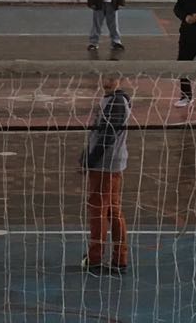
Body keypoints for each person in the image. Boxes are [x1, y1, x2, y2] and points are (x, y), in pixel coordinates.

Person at [80, 72, 132, 276]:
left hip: (105, 166)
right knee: (111, 210)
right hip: (108, 164)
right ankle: (119, 259)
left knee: (98, 211)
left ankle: (96, 258)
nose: (107, 81)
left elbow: (107, 135)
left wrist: (91, 160)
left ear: (120, 79)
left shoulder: (117, 102)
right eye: (105, 77)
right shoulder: (111, 100)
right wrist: (86, 155)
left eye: (112, 78)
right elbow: (98, 132)